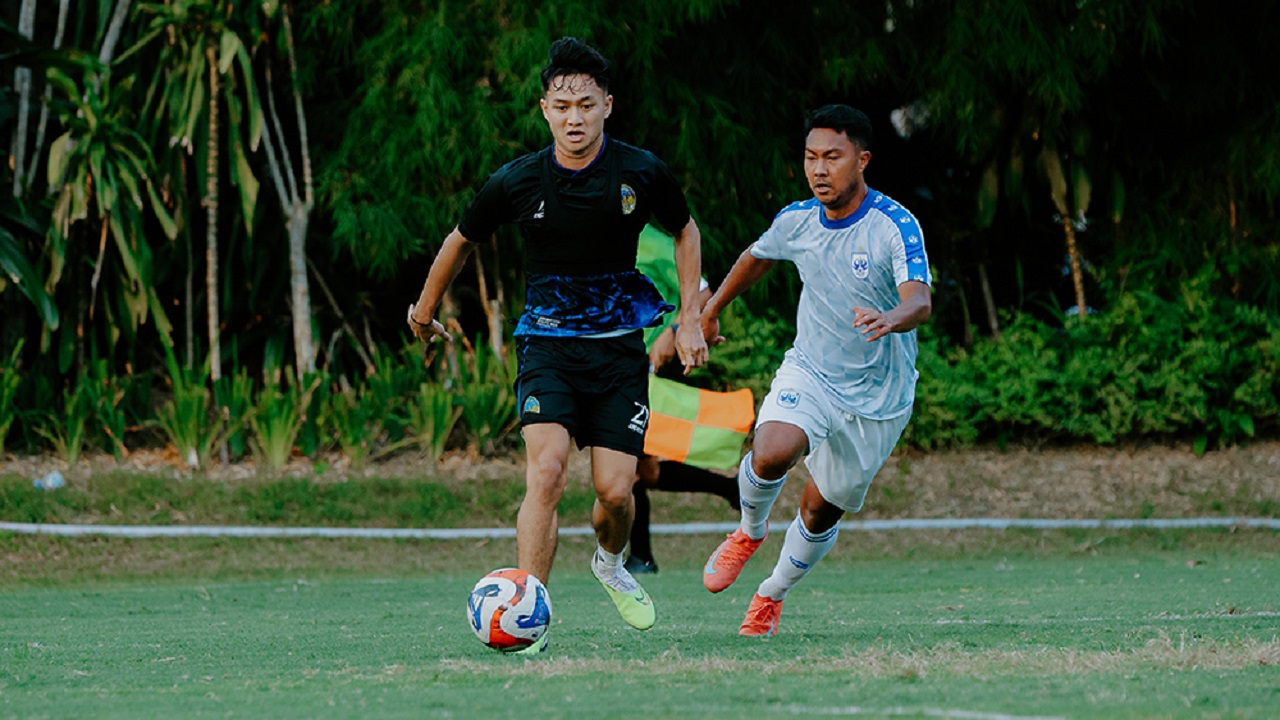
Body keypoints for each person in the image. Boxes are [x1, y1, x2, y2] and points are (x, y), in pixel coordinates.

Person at [406, 38, 708, 650]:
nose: (575, 117)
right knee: (545, 474)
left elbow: (685, 231)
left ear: (607, 107)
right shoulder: (518, 180)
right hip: (546, 348)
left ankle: (610, 561)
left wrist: (690, 318)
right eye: (563, 105)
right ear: (545, 109)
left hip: (618, 350)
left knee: (615, 493)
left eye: (587, 105)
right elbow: (460, 238)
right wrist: (426, 307)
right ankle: (529, 618)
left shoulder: (639, 172)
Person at [696, 104, 932, 637]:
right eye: (810, 158)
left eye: (833, 157)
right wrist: (709, 313)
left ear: (862, 160)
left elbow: (919, 300)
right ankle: (748, 531)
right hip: (812, 372)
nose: (819, 169)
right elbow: (755, 256)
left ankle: (770, 594)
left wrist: (890, 317)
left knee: (820, 509)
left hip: (879, 399)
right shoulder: (798, 220)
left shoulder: (893, 225)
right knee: (772, 448)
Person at [628, 225, 742, 576]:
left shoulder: (656, 243)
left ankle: (640, 558)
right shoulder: (600, 238)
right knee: (643, 471)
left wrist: (674, 332)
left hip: (649, 367)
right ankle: (731, 488)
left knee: (627, 469)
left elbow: (705, 297)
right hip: (619, 368)